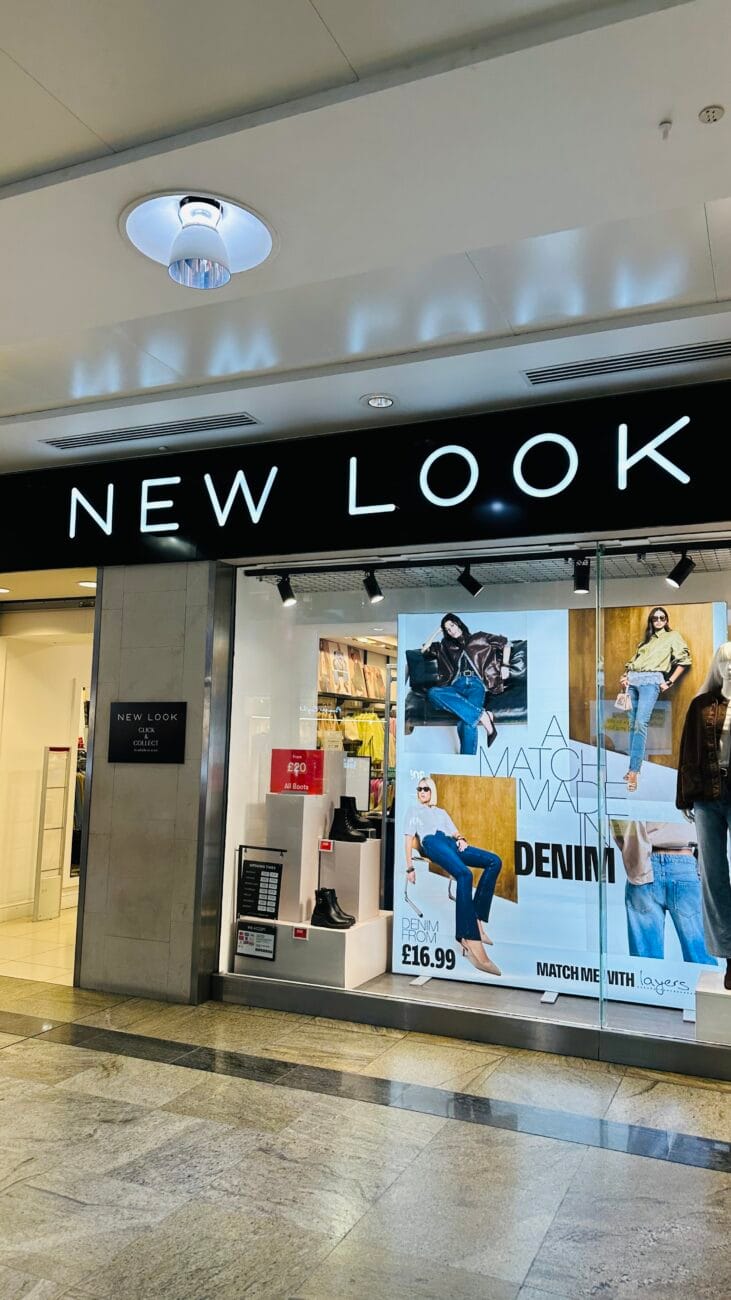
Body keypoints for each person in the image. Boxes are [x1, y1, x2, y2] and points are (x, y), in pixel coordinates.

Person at [404, 777, 502, 976]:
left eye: (426, 789)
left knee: (494, 861)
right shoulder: (414, 811)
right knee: (464, 875)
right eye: (419, 789)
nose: (422, 792)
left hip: (450, 843)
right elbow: (408, 840)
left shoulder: (441, 812)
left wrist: (461, 839)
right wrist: (409, 868)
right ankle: (469, 937)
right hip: (432, 843)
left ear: (432, 791)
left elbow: (454, 831)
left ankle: (476, 919)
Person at [676, 642, 731, 990]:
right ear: (717, 667)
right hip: (708, 797)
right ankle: (728, 956)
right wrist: (684, 797)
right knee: (713, 875)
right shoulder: (701, 706)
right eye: (725, 661)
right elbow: (687, 751)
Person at [610, 820, 714, 964]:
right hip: (684, 862)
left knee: (645, 961)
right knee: (701, 957)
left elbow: (620, 820)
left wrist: (635, 857)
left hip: (645, 861)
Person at [620, 606, 691, 792]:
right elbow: (632, 662)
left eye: (662, 618)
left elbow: (684, 660)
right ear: (651, 621)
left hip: (651, 682)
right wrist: (625, 676)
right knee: (632, 725)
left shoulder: (673, 636)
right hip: (632, 682)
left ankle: (634, 771)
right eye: (655, 618)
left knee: (640, 724)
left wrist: (670, 681)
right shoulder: (646, 640)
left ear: (666, 620)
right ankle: (633, 767)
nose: (658, 621)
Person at [421, 613, 511, 755]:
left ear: (458, 623)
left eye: (452, 625)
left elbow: (506, 643)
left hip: (476, 685)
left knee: (466, 722)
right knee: (433, 693)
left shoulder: (479, 637)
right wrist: (437, 631)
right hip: (456, 685)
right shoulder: (446, 646)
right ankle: (483, 716)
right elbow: (424, 650)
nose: (451, 630)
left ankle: (466, 762)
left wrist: (505, 665)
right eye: (447, 629)